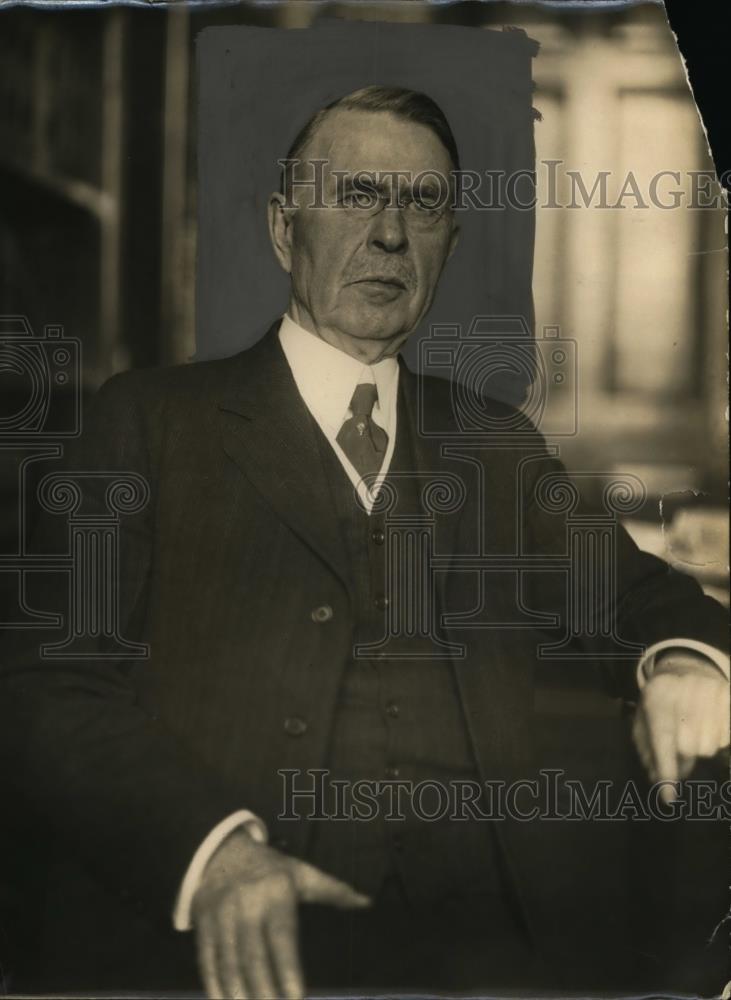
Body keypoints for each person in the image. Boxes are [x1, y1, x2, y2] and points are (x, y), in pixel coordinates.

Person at [1, 86, 728, 998]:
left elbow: (644, 597)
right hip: (228, 948)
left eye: (422, 204)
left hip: (482, 954)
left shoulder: (493, 446)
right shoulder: (149, 423)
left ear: (448, 245)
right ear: (283, 229)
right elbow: (44, 685)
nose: (390, 233)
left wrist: (686, 664)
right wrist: (213, 852)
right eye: (354, 194)